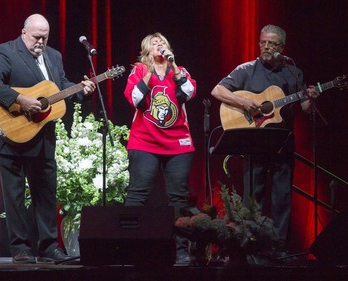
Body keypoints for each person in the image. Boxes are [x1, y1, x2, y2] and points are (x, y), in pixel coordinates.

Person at [0, 14, 96, 264]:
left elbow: (59, 86)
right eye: (36, 36)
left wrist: (82, 91)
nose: (41, 41)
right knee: (14, 197)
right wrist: (19, 99)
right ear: (24, 32)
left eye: (45, 36)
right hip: (12, 133)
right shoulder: (6, 51)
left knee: (46, 194)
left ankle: (49, 247)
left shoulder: (54, 56)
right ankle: (20, 249)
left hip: (43, 137)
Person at [211, 24, 318, 256]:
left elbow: (305, 108)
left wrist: (311, 98)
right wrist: (243, 103)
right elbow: (217, 91)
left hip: (282, 141)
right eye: (263, 42)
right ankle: (253, 244)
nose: (266, 47)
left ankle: (278, 245)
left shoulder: (292, 72)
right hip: (254, 141)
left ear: (281, 47)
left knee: (282, 196)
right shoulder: (246, 70)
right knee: (254, 194)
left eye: (272, 43)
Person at [123, 32, 197, 264]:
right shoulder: (138, 71)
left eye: (163, 43)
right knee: (138, 194)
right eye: (154, 44)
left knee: (178, 199)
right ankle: (128, 246)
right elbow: (134, 99)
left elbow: (189, 93)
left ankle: (180, 250)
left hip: (178, 143)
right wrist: (147, 75)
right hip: (145, 141)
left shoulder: (179, 71)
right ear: (147, 51)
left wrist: (173, 67)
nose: (159, 46)